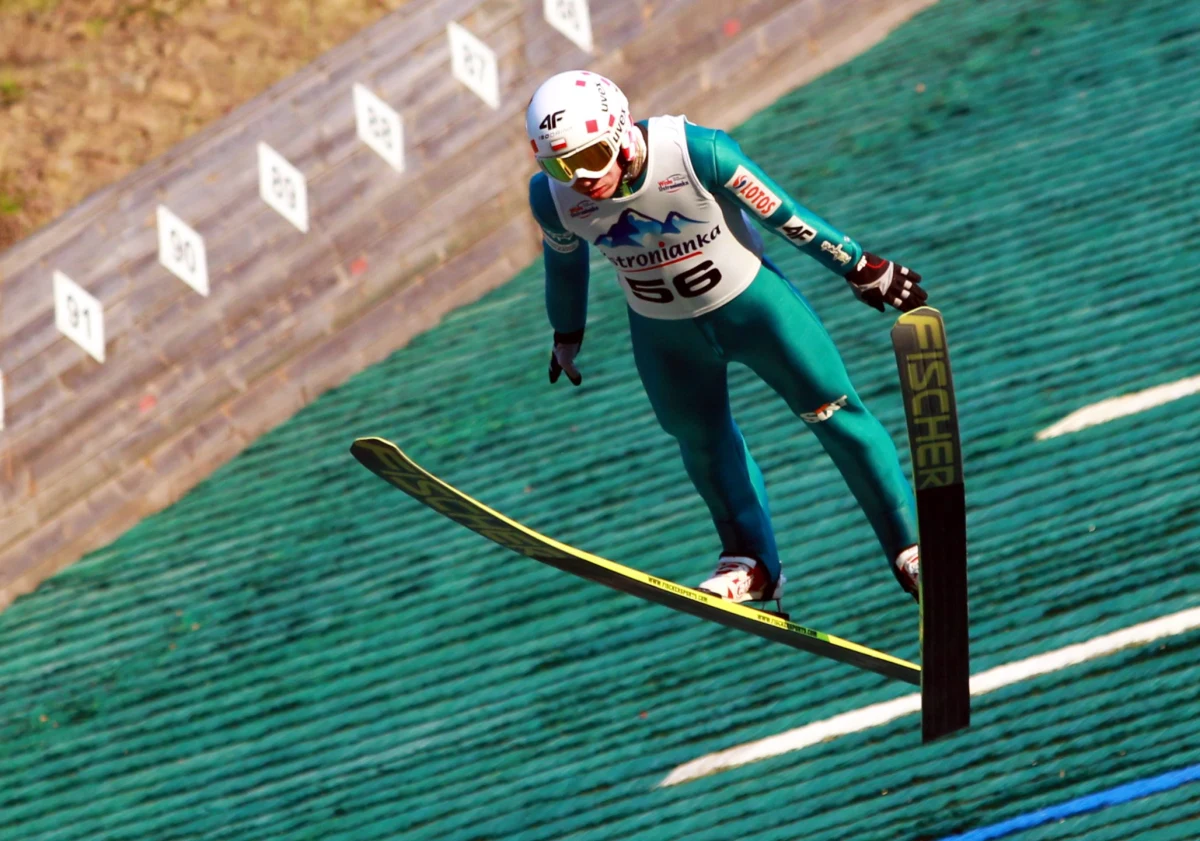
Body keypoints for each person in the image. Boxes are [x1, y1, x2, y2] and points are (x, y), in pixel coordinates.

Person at [525, 70, 926, 608]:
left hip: (757, 311)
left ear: (621, 131)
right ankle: (752, 562)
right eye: (559, 165)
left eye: (591, 157)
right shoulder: (553, 198)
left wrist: (860, 266)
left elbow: (787, 216)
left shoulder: (699, 152)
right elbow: (564, 267)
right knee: (703, 444)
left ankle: (910, 547)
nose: (580, 177)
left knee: (834, 414)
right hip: (666, 338)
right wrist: (566, 332)